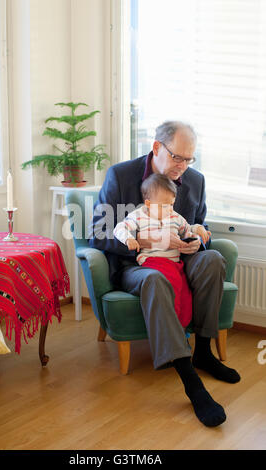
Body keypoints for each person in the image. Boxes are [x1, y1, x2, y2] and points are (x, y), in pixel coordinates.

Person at [89, 121, 240, 427]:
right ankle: (191, 381)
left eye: (189, 159)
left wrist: (199, 238)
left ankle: (204, 352)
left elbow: (199, 224)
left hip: (180, 259)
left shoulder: (195, 181)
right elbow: (98, 233)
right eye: (177, 158)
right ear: (157, 147)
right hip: (138, 264)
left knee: (212, 260)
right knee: (155, 280)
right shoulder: (121, 176)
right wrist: (144, 241)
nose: (183, 167)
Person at [113, 173, 211, 329]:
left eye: (171, 204)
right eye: (164, 206)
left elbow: (187, 230)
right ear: (148, 203)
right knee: (172, 284)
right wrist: (128, 239)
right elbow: (120, 228)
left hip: (174, 263)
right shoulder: (138, 216)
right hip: (152, 262)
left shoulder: (175, 217)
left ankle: (181, 326)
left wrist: (197, 231)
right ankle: (175, 328)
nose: (169, 210)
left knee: (185, 291)